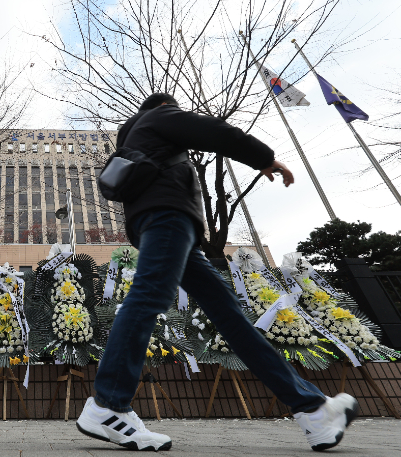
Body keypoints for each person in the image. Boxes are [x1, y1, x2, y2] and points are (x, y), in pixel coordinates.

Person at [76, 93, 359, 452]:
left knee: (232, 319)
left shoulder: (137, 137)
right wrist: (264, 158)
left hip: (174, 229)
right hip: (169, 219)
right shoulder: (158, 119)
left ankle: (313, 410)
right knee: (149, 298)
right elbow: (213, 130)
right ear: (165, 106)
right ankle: (108, 405)